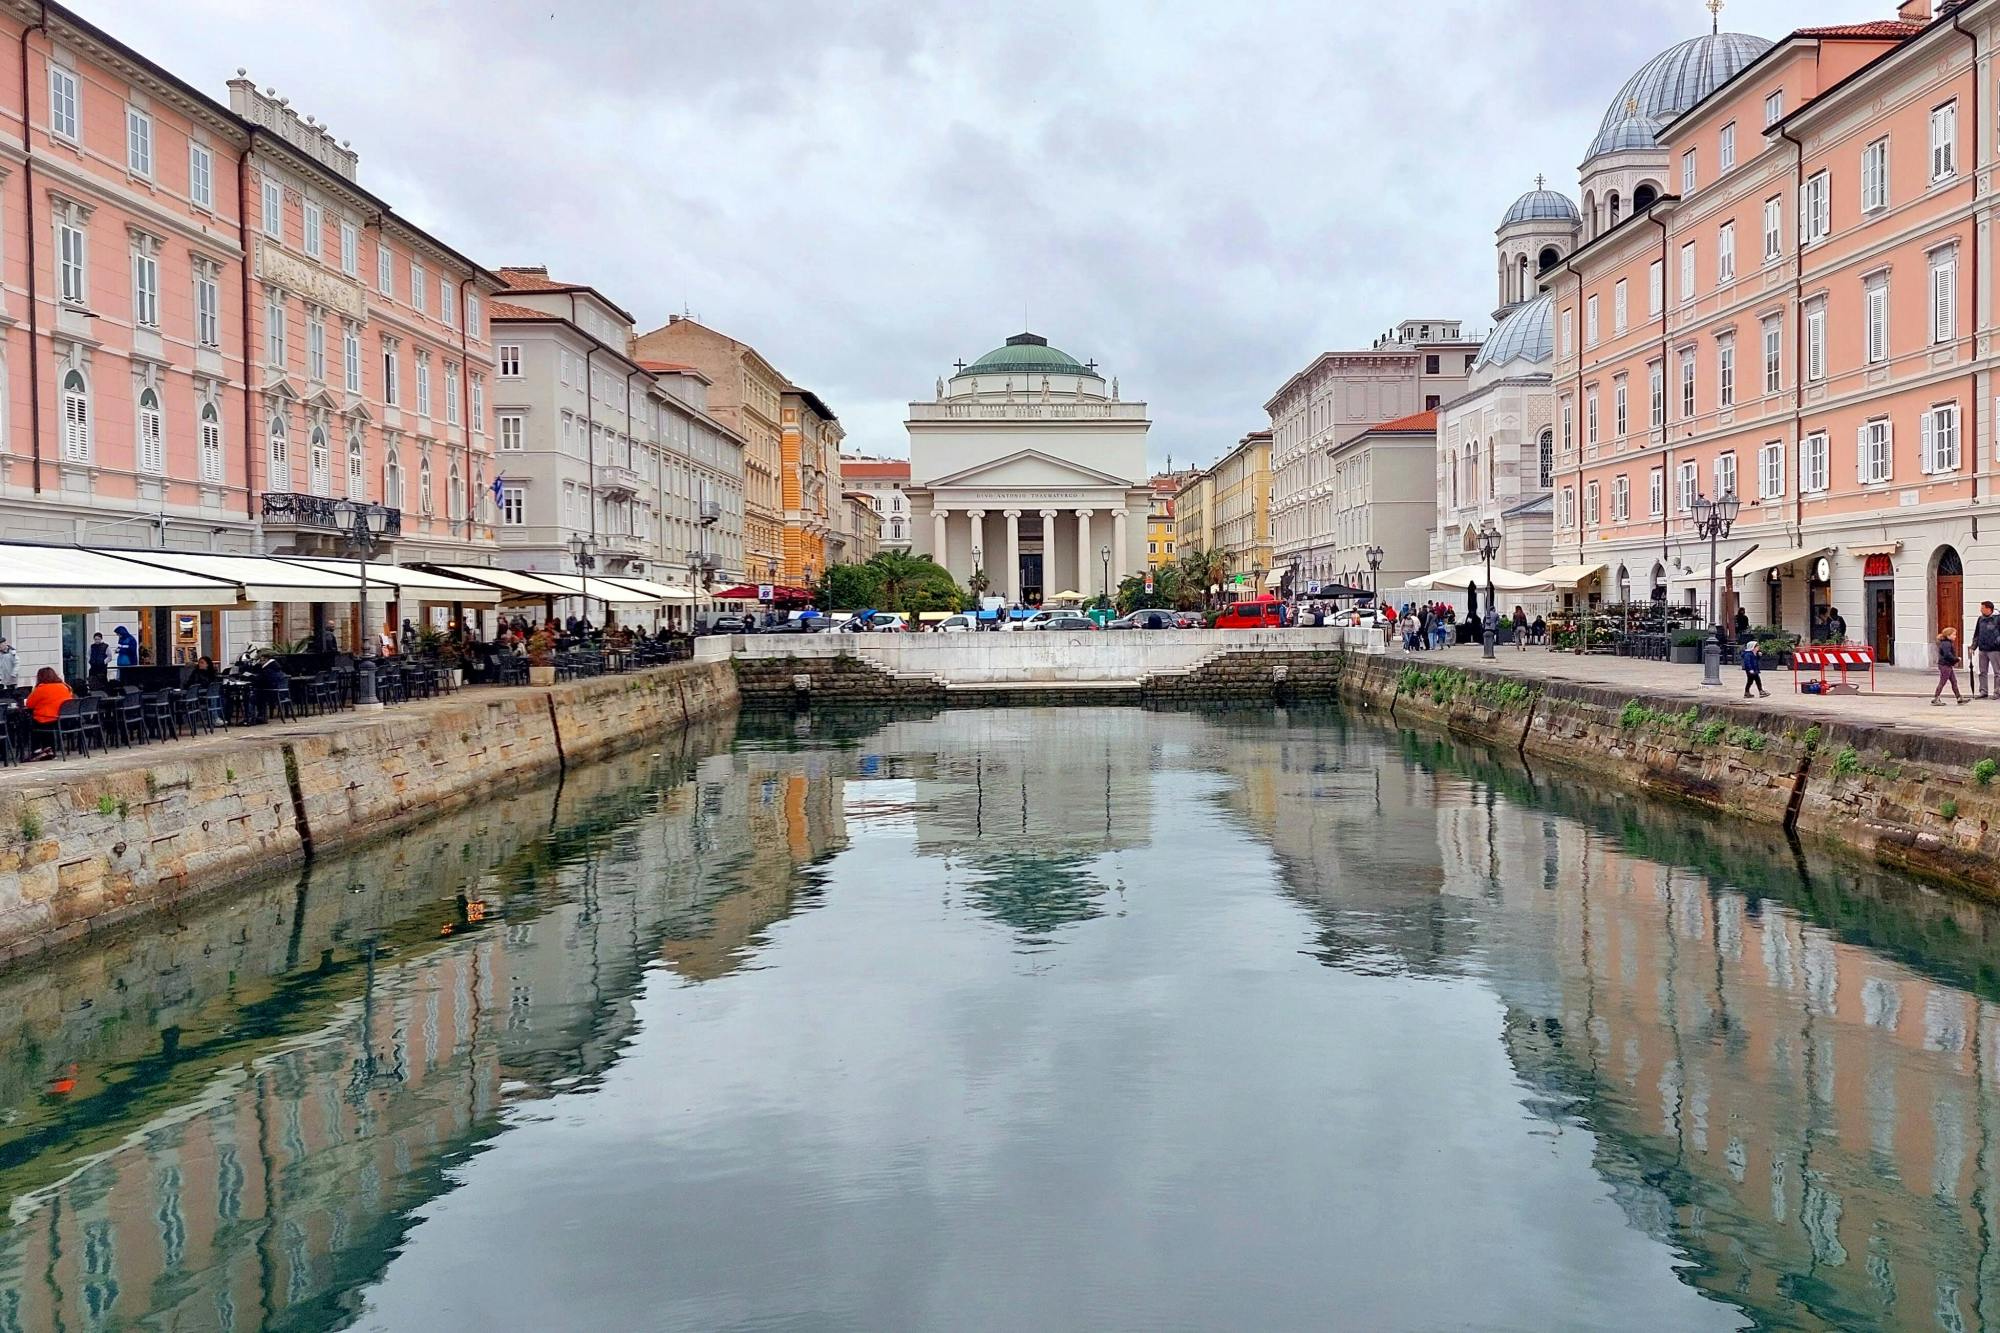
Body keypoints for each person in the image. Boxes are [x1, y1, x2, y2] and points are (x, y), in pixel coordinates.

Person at [22, 667, 72, 756]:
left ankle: (36, 750)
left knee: (30, 723)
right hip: (63, 719)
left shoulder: (42, 688)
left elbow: (29, 704)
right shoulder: (65, 687)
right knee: (43, 723)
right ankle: (49, 748)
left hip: (47, 718)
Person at [1974, 600, 2000, 699]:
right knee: (1982, 671)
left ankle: (1997, 692)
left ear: (1988, 609)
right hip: (1982, 649)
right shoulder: (1980, 619)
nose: (1980, 610)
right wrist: (1973, 646)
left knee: (1997, 672)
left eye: (1982, 608)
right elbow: (1977, 634)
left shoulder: (1998, 619)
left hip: (1995, 649)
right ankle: (1983, 691)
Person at [1934, 627, 1966, 705]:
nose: (1955, 636)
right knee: (1943, 681)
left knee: (1954, 681)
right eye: (1953, 635)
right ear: (1948, 636)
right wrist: (1956, 659)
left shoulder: (1947, 643)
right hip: (1945, 665)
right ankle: (1936, 698)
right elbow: (1947, 655)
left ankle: (1959, 697)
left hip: (1947, 665)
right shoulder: (1946, 643)